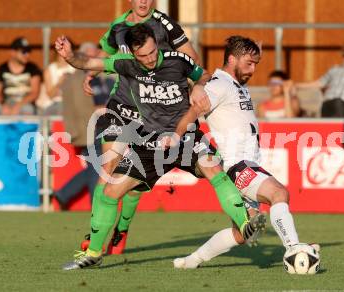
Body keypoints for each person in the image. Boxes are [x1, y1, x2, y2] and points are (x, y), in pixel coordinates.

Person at [55, 24, 263, 270]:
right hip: (150, 145)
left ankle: (243, 223)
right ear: (133, 54)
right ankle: (93, 252)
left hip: (185, 138)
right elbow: (88, 63)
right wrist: (69, 56)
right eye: (144, 55)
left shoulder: (177, 60)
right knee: (108, 192)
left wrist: (198, 85)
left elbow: (206, 75)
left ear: (156, 43)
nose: (151, 58)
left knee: (215, 171)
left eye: (153, 51)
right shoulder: (125, 64)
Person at [160, 36, 316, 269]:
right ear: (232, 59)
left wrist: (253, 51)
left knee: (241, 234)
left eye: (256, 64)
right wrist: (176, 134)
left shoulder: (236, 85)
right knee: (279, 194)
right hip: (239, 165)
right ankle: (293, 249)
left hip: (246, 164)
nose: (253, 69)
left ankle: (190, 261)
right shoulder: (219, 85)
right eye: (249, 63)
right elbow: (194, 110)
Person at [80, 0, 201, 256]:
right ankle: (96, 233)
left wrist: (193, 87)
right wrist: (91, 72)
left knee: (134, 180)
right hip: (121, 107)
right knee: (109, 168)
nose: (143, 1)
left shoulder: (164, 24)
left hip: (152, 112)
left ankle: (121, 229)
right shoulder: (118, 25)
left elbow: (191, 58)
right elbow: (106, 52)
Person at [296, 41, 344, 148]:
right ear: (342, 56)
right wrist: (296, 85)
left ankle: (341, 143)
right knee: (332, 109)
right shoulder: (335, 69)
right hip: (329, 104)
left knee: (340, 113)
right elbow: (319, 83)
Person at [53, 42, 103, 209]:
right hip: (90, 127)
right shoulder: (86, 78)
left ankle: (63, 194)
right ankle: (71, 195)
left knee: (93, 167)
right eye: (92, 56)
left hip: (76, 129)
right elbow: (93, 108)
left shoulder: (68, 80)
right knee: (96, 168)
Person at [0, 37, 42, 115]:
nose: (27, 55)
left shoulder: (33, 68)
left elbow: (34, 93)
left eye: (28, 52)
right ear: (13, 52)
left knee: (27, 112)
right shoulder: (2, 69)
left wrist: (18, 106)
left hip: (26, 104)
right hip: (7, 103)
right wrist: (3, 105)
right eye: (23, 52)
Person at [40, 47, 76, 115]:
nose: (64, 55)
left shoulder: (75, 68)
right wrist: (59, 83)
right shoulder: (50, 70)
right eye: (61, 52)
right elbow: (51, 95)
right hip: (55, 104)